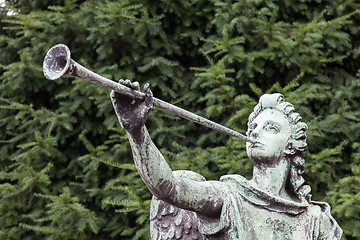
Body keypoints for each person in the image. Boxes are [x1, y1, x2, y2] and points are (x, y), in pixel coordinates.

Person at [110, 80, 342, 240]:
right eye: (253, 127)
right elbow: (168, 187)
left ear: (291, 144)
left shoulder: (316, 221)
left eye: (270, 128)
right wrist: (136, 130)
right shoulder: (229, 197)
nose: (255, 133)